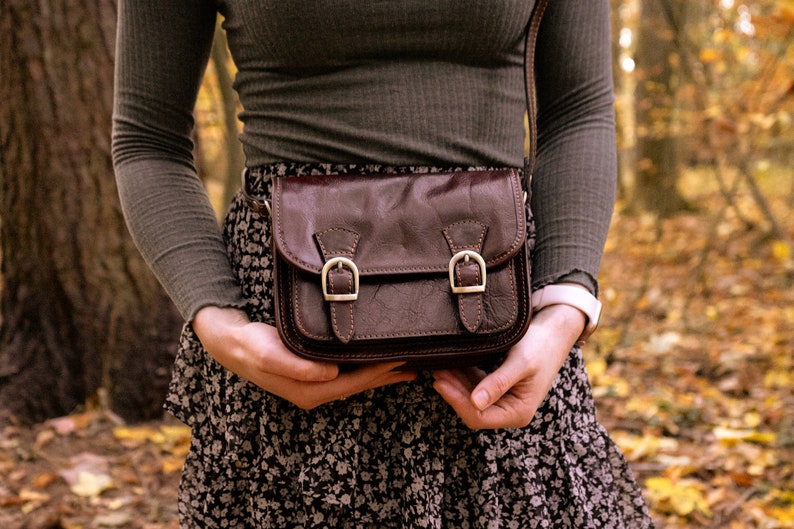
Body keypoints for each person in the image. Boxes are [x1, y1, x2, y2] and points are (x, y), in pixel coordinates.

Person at [112, 0, 654, 527]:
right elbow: (148, 139)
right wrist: (219, 321)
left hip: (498, 311)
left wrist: (565, 306)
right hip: (288, 317)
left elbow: (579, 112)